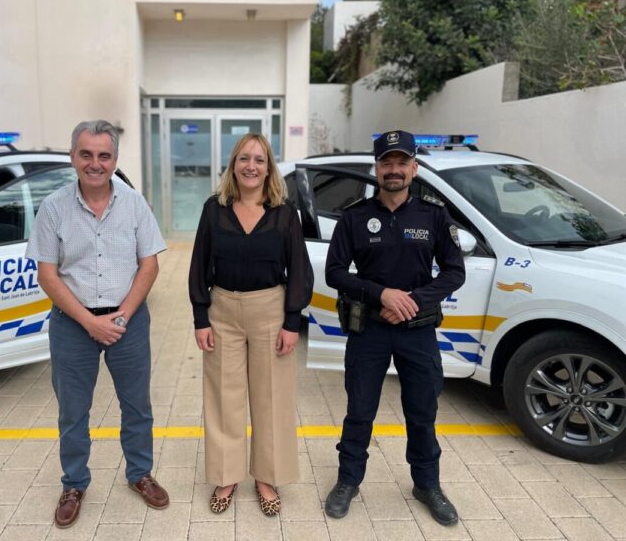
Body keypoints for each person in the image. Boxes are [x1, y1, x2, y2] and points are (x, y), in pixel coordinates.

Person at [26, 119, 169, 529]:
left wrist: (120, 316)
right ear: (73, 157)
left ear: (114, 160)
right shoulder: (53, 207)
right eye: (86, 154)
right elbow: (48, 275)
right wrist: (90, 321)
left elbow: (150, 264)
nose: (95, 163)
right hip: (73, 324)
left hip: (128, 321)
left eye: (104, 155)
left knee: (137, 406)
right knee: (73, 411)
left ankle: (140, 474)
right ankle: (74, 484)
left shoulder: (134, 204)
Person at [323, 130, 466, 526]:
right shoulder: (355, 217)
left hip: (417, 331)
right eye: (387, 162)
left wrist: (411, 302)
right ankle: (348, 481)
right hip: (369, 329)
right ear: (377, 167)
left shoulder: (434, 215)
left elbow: (455, 273)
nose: (394, 170)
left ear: (414, 168)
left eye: (402, 163)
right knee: (359, 411)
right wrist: (381, 294)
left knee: (422, 412)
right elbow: (335, 272)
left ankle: (427, 484)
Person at [188, 133, 314, 517]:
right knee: (224, 398)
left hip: (270, 311)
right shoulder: (215, 210)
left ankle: (266, 476)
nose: (251, 166)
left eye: (259, 160)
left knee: (271, 397)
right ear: (233, 164)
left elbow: (300, 271)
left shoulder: (284, 212)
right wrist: (200, 317)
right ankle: (226, 475)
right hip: (223, 309)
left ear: (269, 167)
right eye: (244, 158)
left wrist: (292, 321)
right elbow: (198, 265)